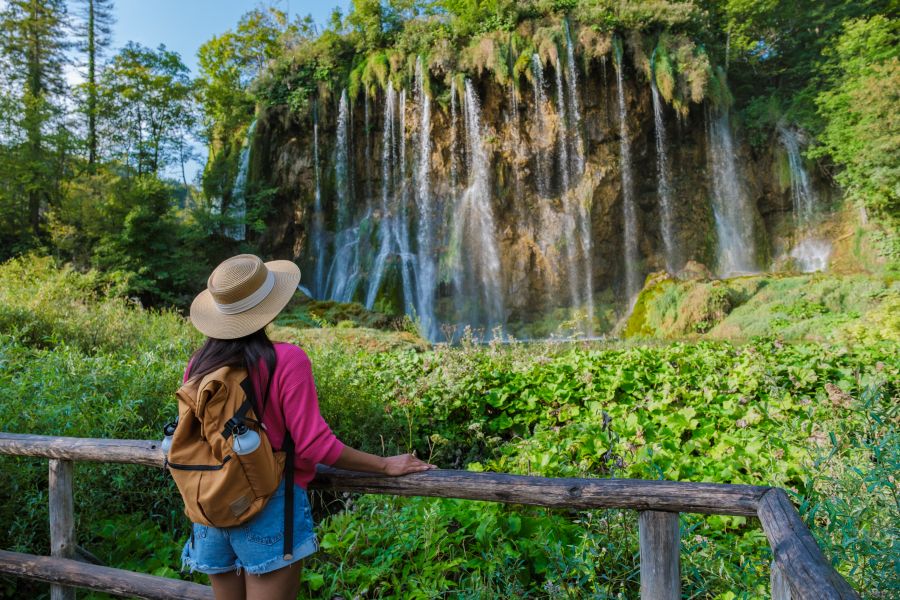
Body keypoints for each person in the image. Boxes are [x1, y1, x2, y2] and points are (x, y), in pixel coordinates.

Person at [180, 254, 435, 600]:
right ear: (270, 306)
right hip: (269, 505)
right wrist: (385, 464)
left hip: (210, 506)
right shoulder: (287, 360)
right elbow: (316, 446)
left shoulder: (200, 363)